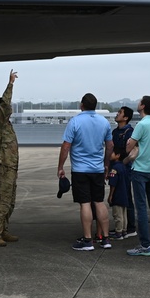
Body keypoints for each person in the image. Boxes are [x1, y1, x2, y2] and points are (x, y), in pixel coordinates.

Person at [58, 93, 113, 251]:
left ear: (82, 105)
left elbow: (66, 146)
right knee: (99, 201)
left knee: (85, 203)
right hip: (97, 169)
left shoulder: (75, 121)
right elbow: (109, 146)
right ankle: (105, 239)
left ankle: (88, 240)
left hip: (80, 170)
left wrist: (60, 167)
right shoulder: (104, 122)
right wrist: (106, 164)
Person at [125, 95, 150, 257]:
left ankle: (145, 245)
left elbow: (128, 146)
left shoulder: (142, 124)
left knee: (141, 207)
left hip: (140, 170)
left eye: (139, 101)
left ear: (142, 106)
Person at [0, 70, 20, 247]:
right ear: (0, 110)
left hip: (11, 166)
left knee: (11, 201)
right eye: (5, 107)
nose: (10, 108)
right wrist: (10, 84)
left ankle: (3, 230)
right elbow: (6, 103)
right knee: (3, 201)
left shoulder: (6, 123)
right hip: (4, 166)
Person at [109, 106, 137, 238]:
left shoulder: (130, 132)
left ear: (125, 117)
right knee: (119, 196)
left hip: (125, 167)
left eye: (120, 113)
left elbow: (130, 151)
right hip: (115, 166)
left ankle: (130, 227)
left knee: (125, 196)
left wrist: (123, 163)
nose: (117, 114)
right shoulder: (115, 132)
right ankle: (122, 227)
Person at [107, 155, 129, 239]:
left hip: (117, 194)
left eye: (112, 153)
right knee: (124, 214)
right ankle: (124, 230)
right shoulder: (123, 166)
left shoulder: (114, 168)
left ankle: (118, 232)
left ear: (118, 155)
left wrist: (111, 195)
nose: (110, 154)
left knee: (117, 214)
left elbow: (113, 183)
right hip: (124, 193)